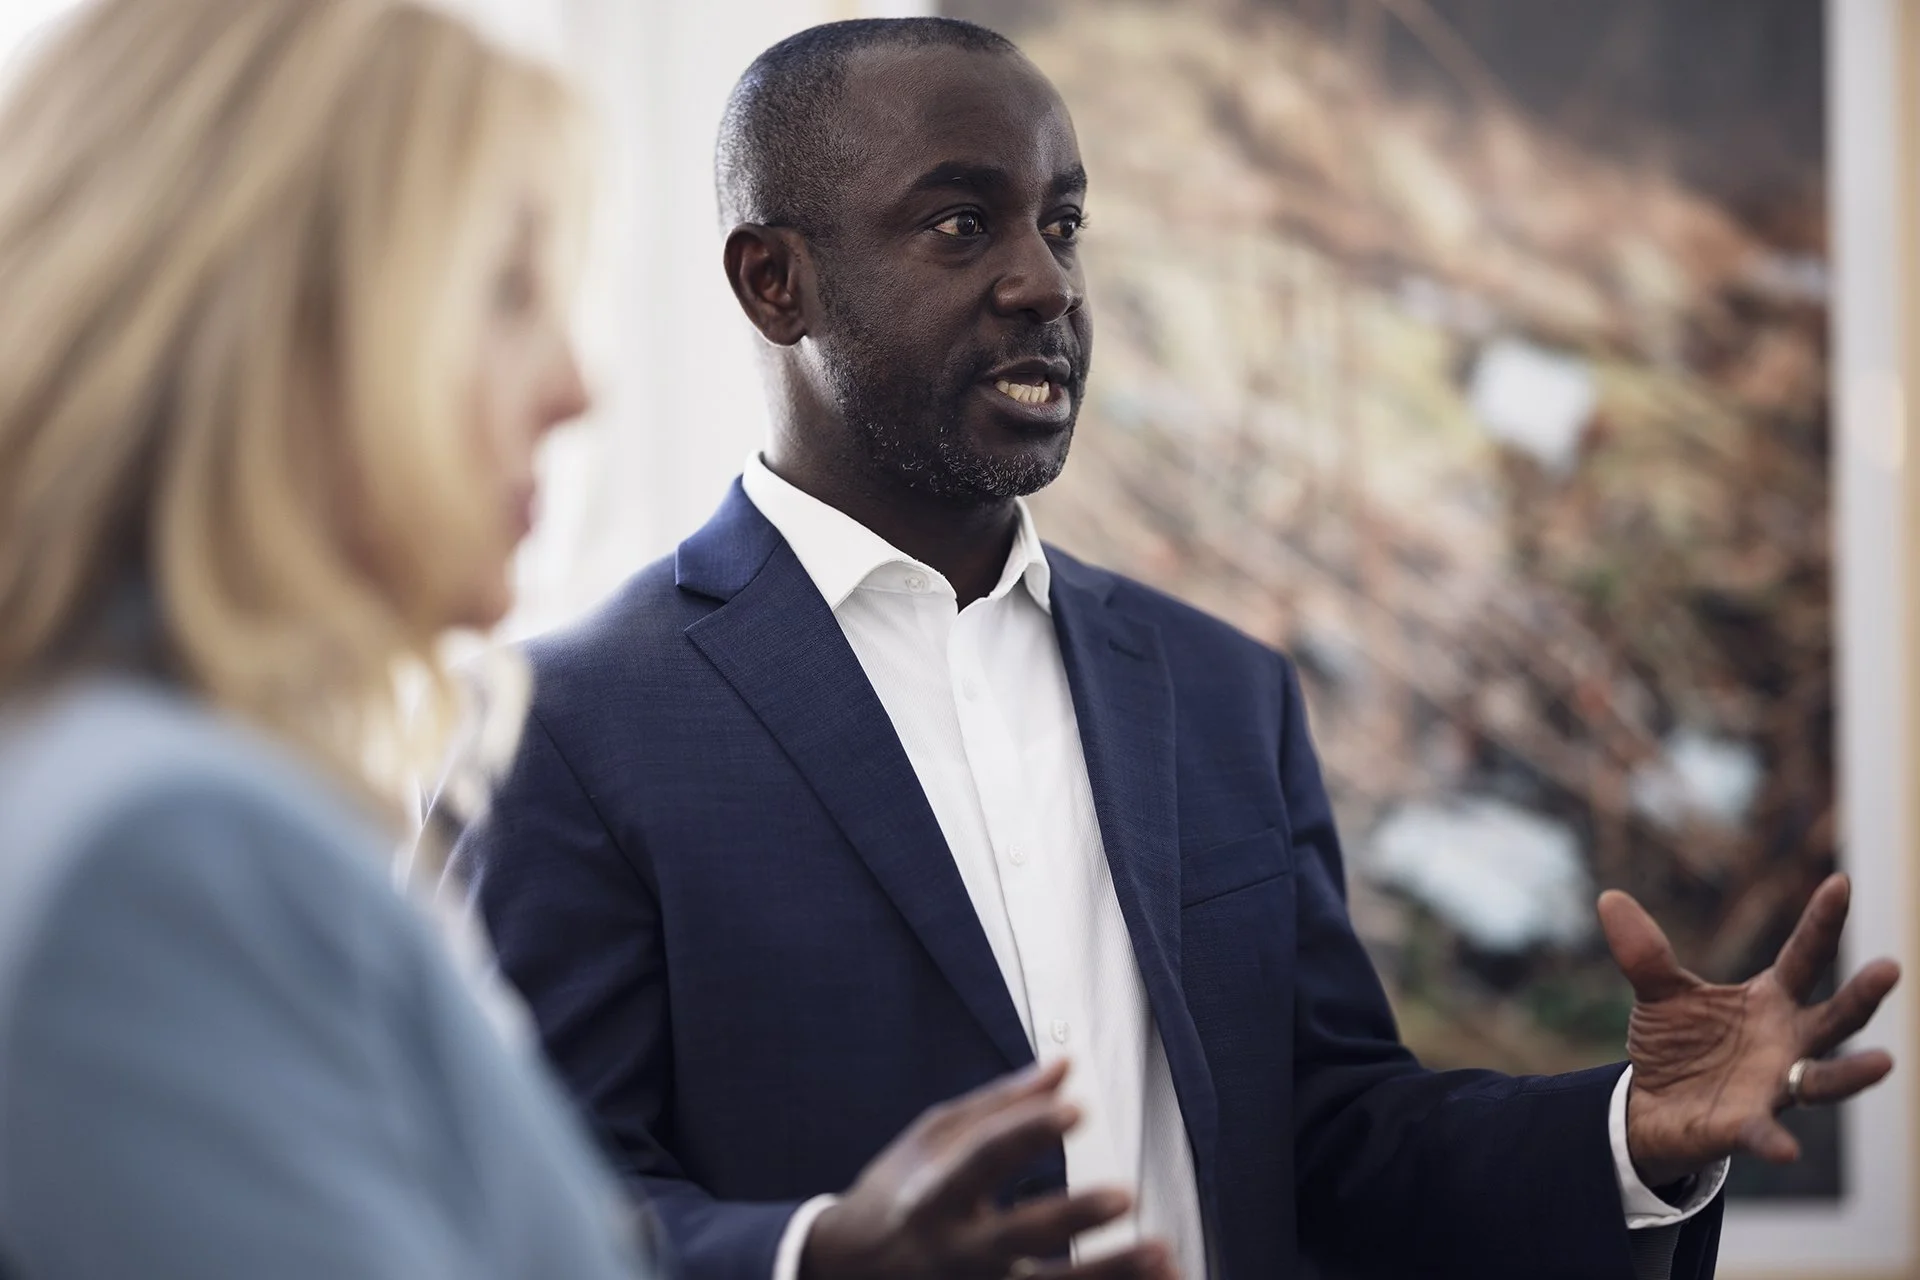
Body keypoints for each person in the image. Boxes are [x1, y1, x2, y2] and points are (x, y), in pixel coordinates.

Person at [445, 18, 1902, 1280]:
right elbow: (499, 1213)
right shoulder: (569, 726)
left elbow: (1333, 1143)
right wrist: (813, 1257)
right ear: (777, 283)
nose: (1047, 285)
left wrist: (1623, 1139)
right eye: (964, 224)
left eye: (1061, 223)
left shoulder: (1220, 693)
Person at [7, 1, 629, 1275]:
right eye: (506, 289)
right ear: (277, 322)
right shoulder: (173, 856)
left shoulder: (73, 772)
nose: (575, 384)